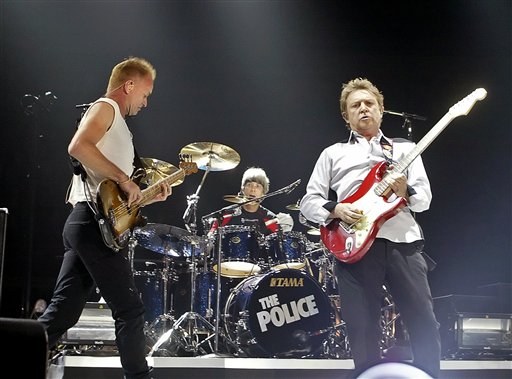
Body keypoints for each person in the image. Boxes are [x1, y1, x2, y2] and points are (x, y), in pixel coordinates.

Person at [38, 57, 172, 379]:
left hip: (89, 223)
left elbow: (112, 193)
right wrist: (125, 180)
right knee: (129, 309)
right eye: (145, 93)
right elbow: (78, 146)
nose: (145, 102)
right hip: (91, 223)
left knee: (63, 313)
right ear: (129, 85)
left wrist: (148, 192)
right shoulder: (105, 107)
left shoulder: (121, 129)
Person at [300, 78, 441, 378]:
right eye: (356, 105)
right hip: (355, 245)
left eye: (369, 104)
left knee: (424, 322)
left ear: (381, 110)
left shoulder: (405, 149)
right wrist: (336, 209)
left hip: (403, 241)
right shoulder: (332, 153)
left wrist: (405, 191)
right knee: (362, 328)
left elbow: (424, 200)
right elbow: (308, 202)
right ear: (346, 115)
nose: (363, 109)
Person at [206, 167, 294, 276]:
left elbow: (281, 244)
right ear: (243, 189)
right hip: (226, 268)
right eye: (249, 185)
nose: (253, 189)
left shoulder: (270, 218)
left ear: (263, 192)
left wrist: (285, 226)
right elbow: (211, 235)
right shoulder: (227, 213)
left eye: (258, 186)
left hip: (259, 272)